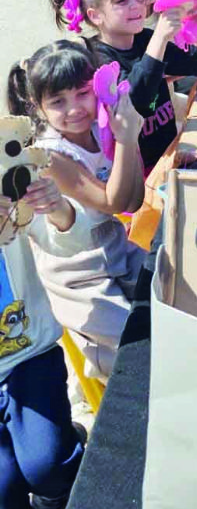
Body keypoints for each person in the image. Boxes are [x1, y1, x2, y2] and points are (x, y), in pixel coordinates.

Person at [7, 41, 145, 380]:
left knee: (171, 295)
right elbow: (112, 202)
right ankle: (100, 369)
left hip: (114, 244)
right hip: (75, 272)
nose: (74, 109)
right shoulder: (49, 154)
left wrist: (128, 139)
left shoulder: (102, 127)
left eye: (83, 93)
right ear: (38, 108)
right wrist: (127, 140)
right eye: (58, 102)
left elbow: (133, 201)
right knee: (134, 348)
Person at [0, 174, 92, 509]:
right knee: (2, 497)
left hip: (29, 357)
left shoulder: (8, 175)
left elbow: (70, 241)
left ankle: (60, 467)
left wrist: (57, 209)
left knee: (48, 465)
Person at [47, 0, 197, 175]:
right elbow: (136, 101)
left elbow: (195, 65)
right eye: (122, 1)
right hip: (137, 171)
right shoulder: (96, 58)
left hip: (168, 153)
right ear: (96, 16)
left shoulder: (144, 39)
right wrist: (160, 39)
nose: (135, 6)